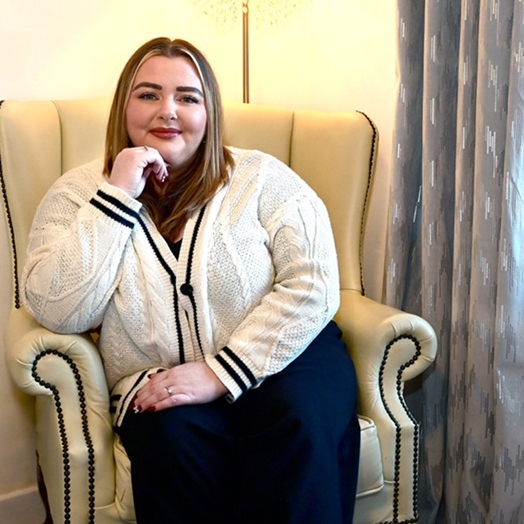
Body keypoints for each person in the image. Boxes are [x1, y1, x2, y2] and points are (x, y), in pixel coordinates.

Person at [22, 37, 360, 524]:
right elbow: (57, 309)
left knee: (302, 427)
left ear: (210, 112)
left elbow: (314, 284)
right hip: (161, 381)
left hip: (286, 357)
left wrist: (219, 373)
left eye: (187, 97)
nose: (168, 111)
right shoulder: (76, 194)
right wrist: (116, 197)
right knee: (170, 444)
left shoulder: (263, 178)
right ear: (123, 106)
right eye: (148, 95)